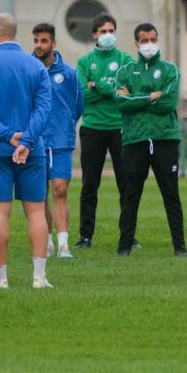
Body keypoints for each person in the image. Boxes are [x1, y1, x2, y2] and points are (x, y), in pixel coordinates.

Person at [0, 13, 53, 289]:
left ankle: (0, 279)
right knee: (37, 212)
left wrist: (8, 136)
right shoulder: (36, 67)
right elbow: (43, 109)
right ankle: (39, 278)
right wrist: (27, 141)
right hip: (33, 150)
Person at [115, 23, 187, 257]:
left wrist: (137, 99)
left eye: (152, 39)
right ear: (136, 43)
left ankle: (180, 247)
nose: (149, 44)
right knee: (130, 196)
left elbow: (168, 102)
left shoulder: (170, 70)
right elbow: (121, 103)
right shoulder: (125, 71)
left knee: (171, 195)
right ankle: (124, 246)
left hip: (165, 137)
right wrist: (151, 96)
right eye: (144, 40)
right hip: (134, 139)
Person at [74, 13, 133, 249]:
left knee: (126, 184)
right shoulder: (85, 62)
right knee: (90, 185)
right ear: (94, 35)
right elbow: (81, 94)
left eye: (111, 31)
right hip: (92, 128)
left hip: (121, 128)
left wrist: (98, 85)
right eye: (102, 31)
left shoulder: (126, 59)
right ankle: (85, 236)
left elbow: (125, 92)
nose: (107, 35)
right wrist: (107, 90)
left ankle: (128, 235)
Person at [32, 23, 83, 259]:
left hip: (61, 140)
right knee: (39, 193)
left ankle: (64, 244)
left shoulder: (69, 73)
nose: (39, 45)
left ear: (53, 43)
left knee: (60, 190)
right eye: (36, 41)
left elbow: (78, 104)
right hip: (35, 140)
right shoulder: (28, 70)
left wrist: (65, 125)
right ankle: (48, 241)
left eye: (43, 41)